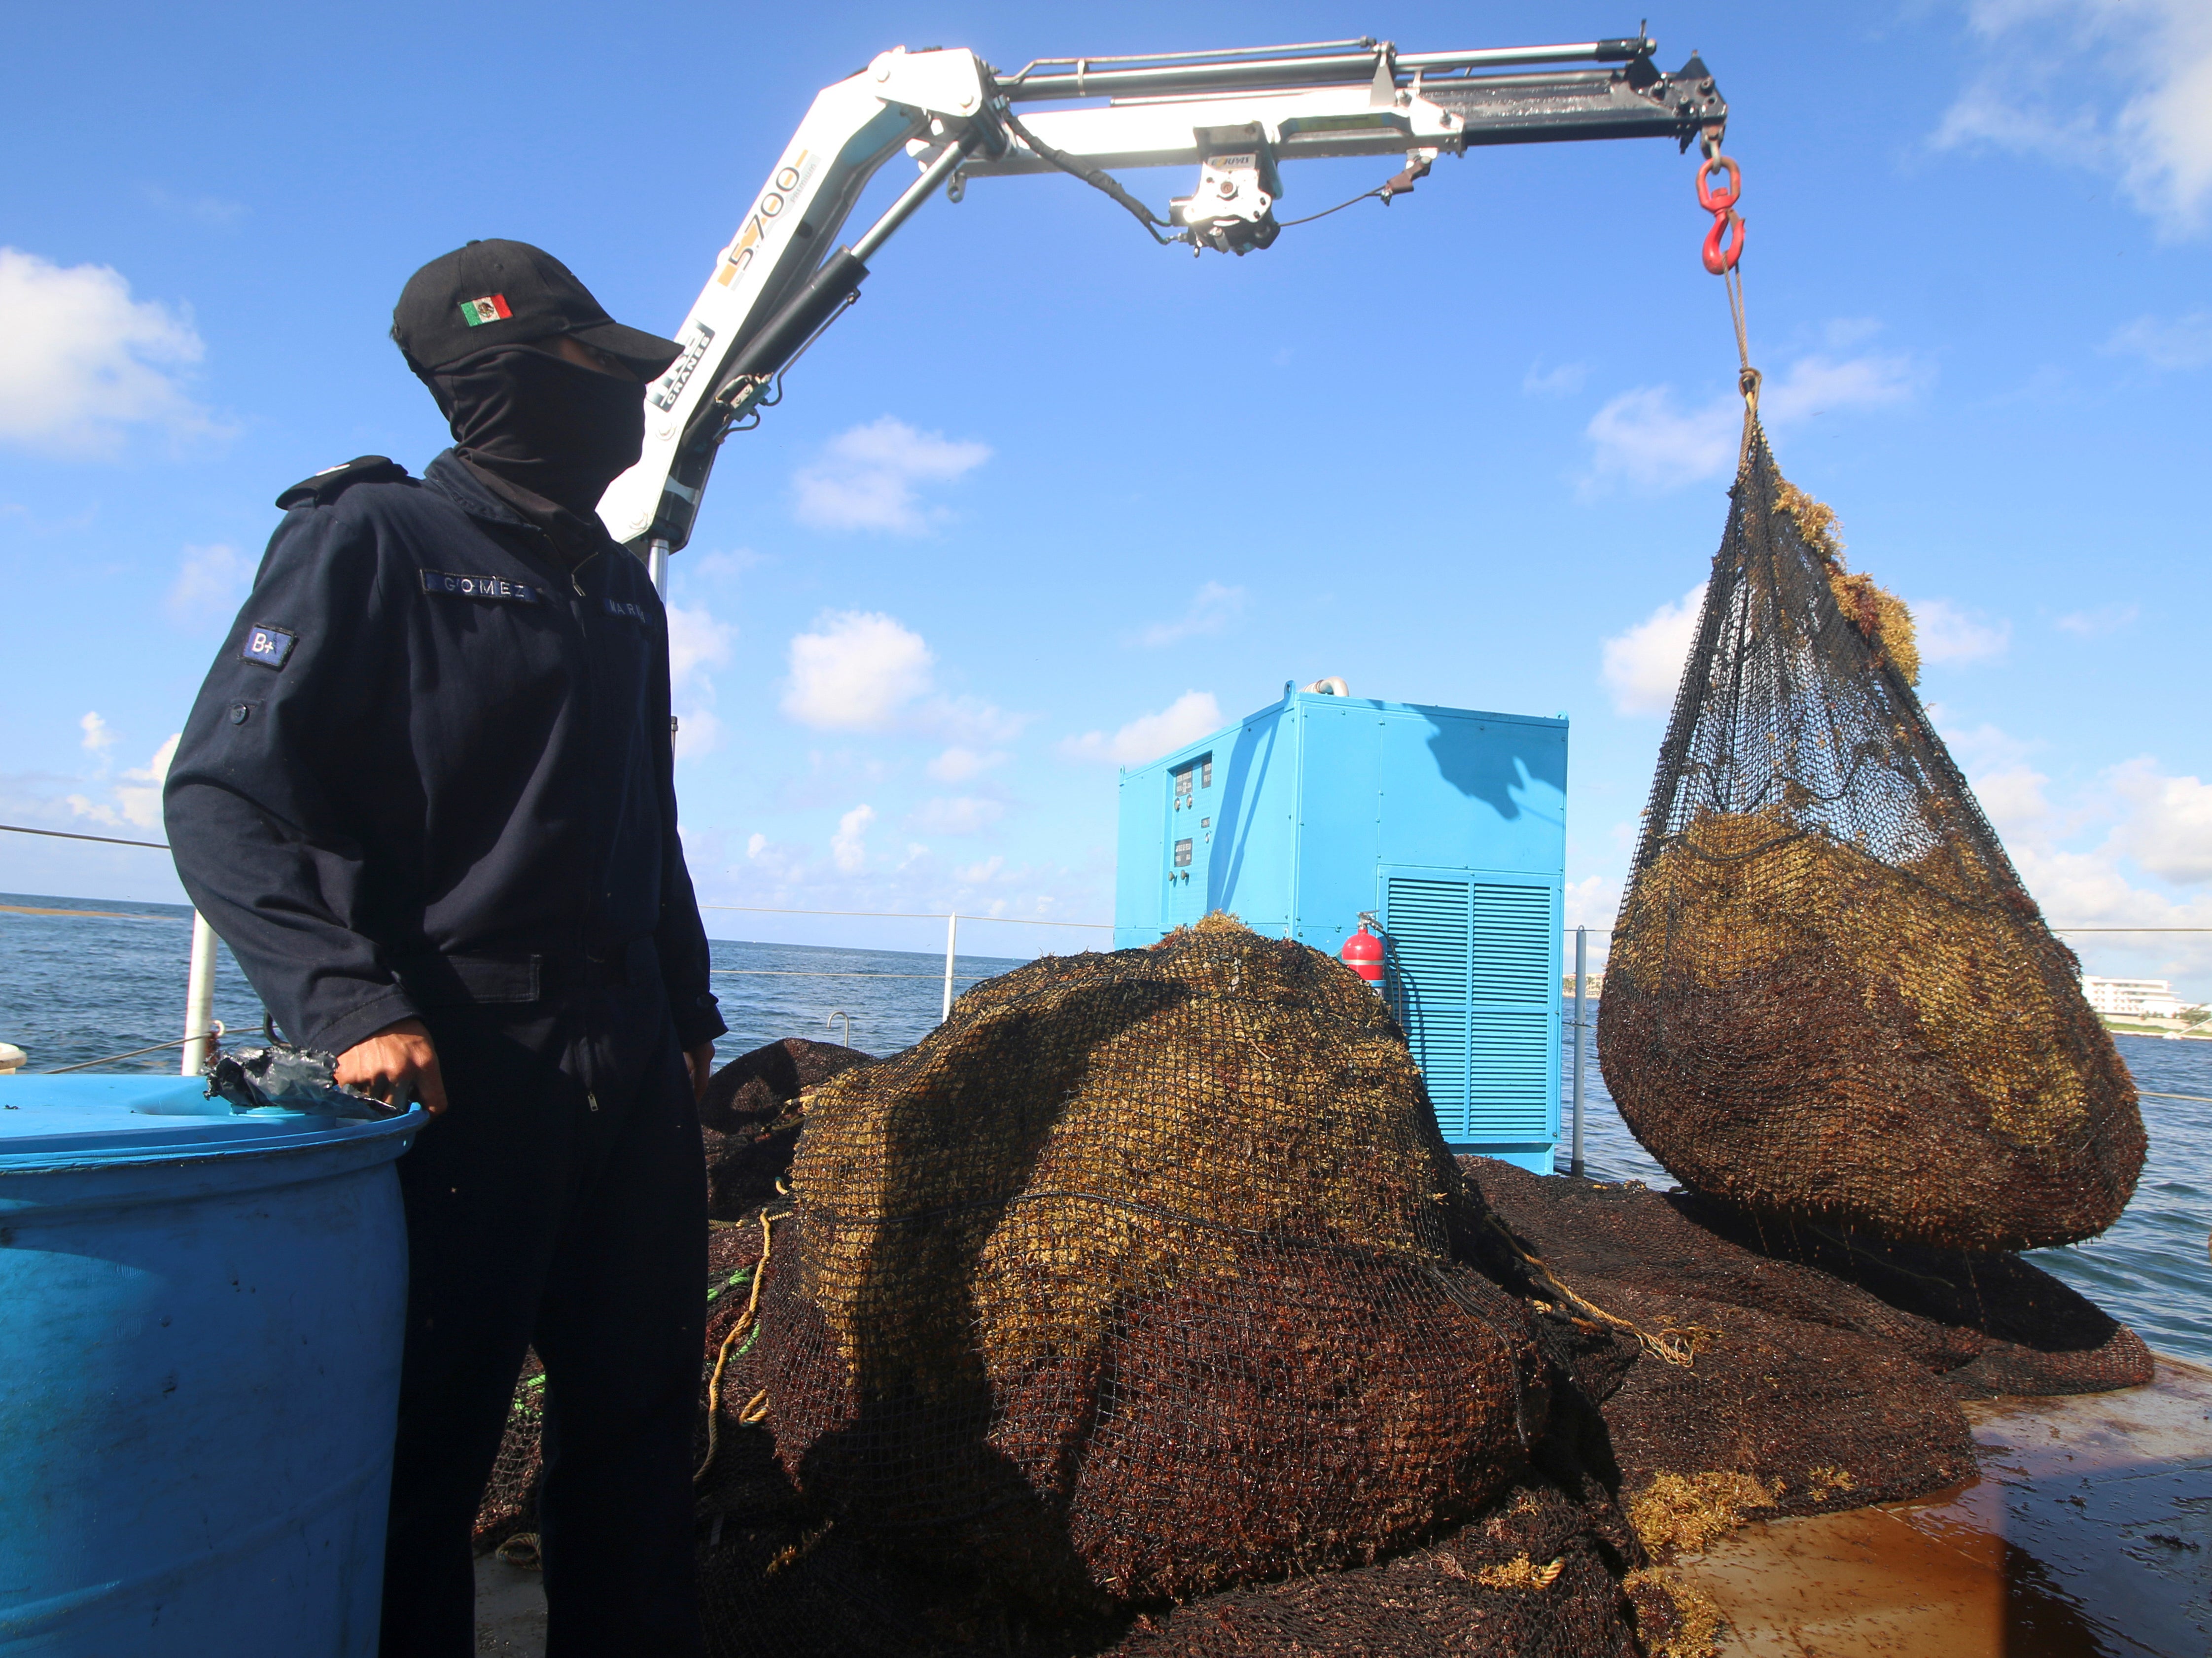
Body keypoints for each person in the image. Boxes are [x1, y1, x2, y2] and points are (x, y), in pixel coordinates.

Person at [164, 239, 726, 1657]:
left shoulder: (619, 588)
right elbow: (224, 795)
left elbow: (645, 822)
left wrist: (688, 1006)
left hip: (626, 1061)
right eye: (601, 370)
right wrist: (348, 999)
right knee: (429, 1445)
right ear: (505, 375)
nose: (626, 402)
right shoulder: (373, 538)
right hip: (459, 1064)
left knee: (643, 1429)